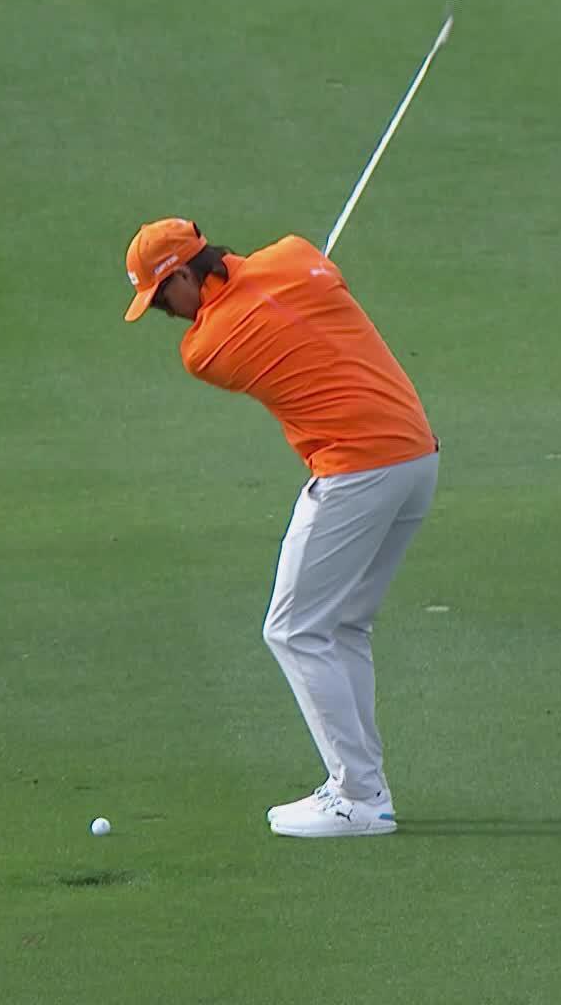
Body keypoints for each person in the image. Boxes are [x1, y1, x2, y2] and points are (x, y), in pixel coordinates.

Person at [122, 217, 439, 838]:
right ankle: (364, 788)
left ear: (183, 274)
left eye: (161, 299)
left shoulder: (205, 350)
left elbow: (238, 317)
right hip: (416, 457)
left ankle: (357, 797)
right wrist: (297, 279)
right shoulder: (295, 256)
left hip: (357, 470)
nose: (165, 314)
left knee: (292, 628)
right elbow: (309, 273)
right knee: (342, 625)